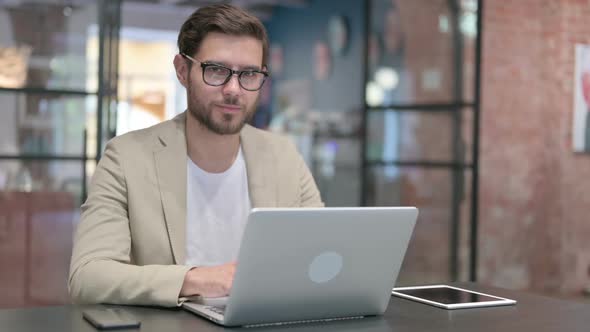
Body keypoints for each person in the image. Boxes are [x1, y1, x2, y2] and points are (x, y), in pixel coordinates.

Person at [68, 4, 323, 307]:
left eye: (249, 74)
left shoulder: (283, 156)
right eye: (216, 70)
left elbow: (321, 256)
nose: (233, 89)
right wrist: (197, 279)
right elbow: (89, 276)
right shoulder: (126, 158)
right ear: (182, 70)